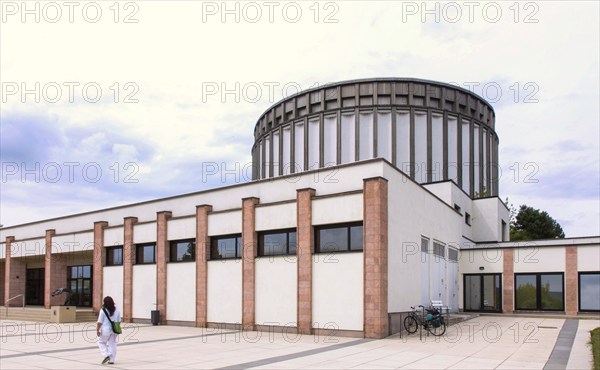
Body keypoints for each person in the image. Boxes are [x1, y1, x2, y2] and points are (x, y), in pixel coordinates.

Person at [97, 296, 121, 365]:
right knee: (112, 344)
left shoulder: (103, 310)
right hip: (114, 330)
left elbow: (100, 322)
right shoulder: (117, 309)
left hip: (105, 330)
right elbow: (119, 321)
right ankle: (112, 360)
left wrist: (97, 330)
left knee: (101, 342)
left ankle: (107, 355)